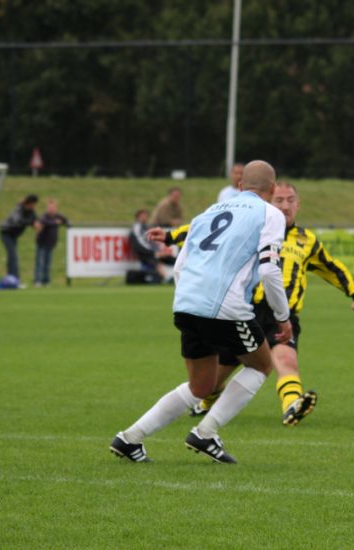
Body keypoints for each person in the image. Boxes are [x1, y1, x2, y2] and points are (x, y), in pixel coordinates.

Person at [110, 160, 292, 464]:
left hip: (186, 302)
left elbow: (180, 264)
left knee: (201, 386)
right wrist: (282, 317)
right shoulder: (270, 214)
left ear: (239, 186)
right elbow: (269, 270)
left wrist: (189, 300)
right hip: (224, 305)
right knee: (261, 365)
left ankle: (129, 439)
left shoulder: (209, 211)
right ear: (273, 189)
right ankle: (206, 432)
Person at [154, 181, 354, 425]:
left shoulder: (307, 240)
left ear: (298, 204)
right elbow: (208, 227)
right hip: (244, 311)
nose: (285, 206)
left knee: (286, 360)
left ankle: (292, 406)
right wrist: (171, 236)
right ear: (269, 202)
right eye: (279, 200)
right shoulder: (255, 227)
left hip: (283, 315)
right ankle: (207, 401)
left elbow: (332, 268)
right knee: (214, 378)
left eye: (290, 200)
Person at [0, 195, 41, 285]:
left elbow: (35, 219)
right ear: (28, 203)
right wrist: (31, 223)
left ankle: (11, 279)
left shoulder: (31, 211)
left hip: (14, 236)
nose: (33, 206)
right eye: (32, 204)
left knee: (12, 257)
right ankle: (16, 279)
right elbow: (17, 221)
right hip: (6, 233)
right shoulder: (18, 209)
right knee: (13, 256)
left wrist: (36, 223)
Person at [128, 209, 171, 283]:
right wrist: (153, 252)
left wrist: (158, 251)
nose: (145, 218)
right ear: (138, 217)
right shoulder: (137, 227)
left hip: (151, 251)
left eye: (146, 216)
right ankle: (166, 278)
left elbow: (152, 242)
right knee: (154, 260)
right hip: (144, 253)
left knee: (171, 258)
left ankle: (175, 277)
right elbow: (140, 243)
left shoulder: (146, 227)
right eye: (143, 216)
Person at [33, 199, 69, 287]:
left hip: (51, 243)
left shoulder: (58, 216)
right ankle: (37, 280)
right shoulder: (44, 216)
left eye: (53, 207)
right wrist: (55, 222)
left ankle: (46, 281)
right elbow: (45, 222)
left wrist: (66, 223)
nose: (51, 209)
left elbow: (66, 221)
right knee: (40, 262)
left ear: (56, 208)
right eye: (49, 207)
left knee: (48, 263)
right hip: (42, 242)